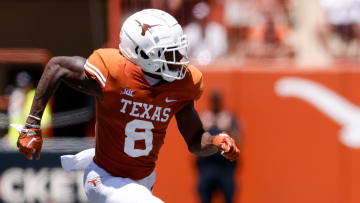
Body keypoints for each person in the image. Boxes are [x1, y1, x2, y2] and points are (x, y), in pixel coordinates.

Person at [12, 9, 240, 203]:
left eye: (178, 51)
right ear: (141, 53)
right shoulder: (115, 73)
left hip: (144, 180)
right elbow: (56, 67)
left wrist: (214, 142)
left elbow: (194, 140)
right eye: (170, 53)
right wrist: (32, 124)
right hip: (104, 176)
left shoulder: (181, 86)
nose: (178, 59)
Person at [197, 91, 240, 203]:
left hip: (225, 166)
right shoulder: (204, 118)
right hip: (207, 165)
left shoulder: (229, 118)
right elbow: (195, 141)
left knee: (229, 197)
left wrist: (225, 129)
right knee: (204, 197)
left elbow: (238, 138)